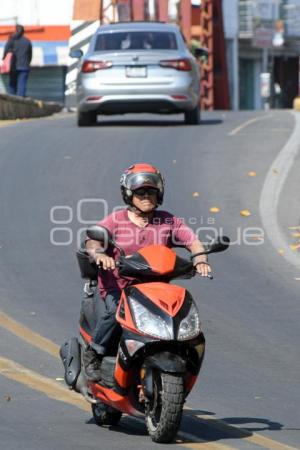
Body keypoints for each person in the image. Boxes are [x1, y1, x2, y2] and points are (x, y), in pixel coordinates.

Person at [83, 163, 211, 381]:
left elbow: (193, 241)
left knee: (179, 314)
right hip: (119, 286)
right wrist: (100, 256)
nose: (146, 196)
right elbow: (93, 242)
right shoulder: (116, 220)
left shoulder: (168, 220)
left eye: (151, 192)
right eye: (140, 192)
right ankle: (94, 353)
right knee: (115, 313)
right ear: (128, 194)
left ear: (159, 193)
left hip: (155, 288)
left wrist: (200, 260)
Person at [3, 24, 32, 97]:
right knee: (22, 84)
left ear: (15, 30)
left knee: (12, 84)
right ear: (23, 32)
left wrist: (4, 60)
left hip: (14, 66)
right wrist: (28, 63)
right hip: (24, 66)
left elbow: (6, 51)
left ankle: (11, 98)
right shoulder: (27, 41)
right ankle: (20, 98)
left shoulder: (12, 39)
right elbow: (30, 54)